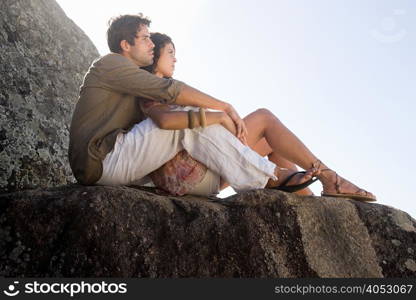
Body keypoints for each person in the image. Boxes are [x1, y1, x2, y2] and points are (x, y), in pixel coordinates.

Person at [68, 14, 376, 202]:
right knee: (199, 121)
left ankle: (314, 188)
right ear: (125, 44)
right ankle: (279, 176)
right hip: (102, 161)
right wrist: (223, 110)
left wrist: (221, 116)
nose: (151, 46)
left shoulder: (131, 79)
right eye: (146, 39)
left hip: (117, 161)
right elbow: (167, 101)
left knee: (264, 134)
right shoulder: (112, 65)